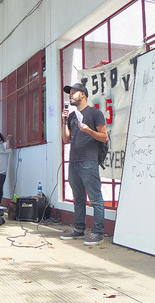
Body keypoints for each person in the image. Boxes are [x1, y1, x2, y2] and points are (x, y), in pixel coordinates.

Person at [60, 82, 108, 246]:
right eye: (69, 93)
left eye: (73, 92)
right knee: (78, 198)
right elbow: (66, 139)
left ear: (83, 94)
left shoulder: (95, 113)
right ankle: (79, 229)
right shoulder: (72, 116)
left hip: (89, 161)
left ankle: (98, 232)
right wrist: (64, 121)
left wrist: (88, 131)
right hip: (74, 161)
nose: (70, 95)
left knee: (95, 198)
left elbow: (104, 137)